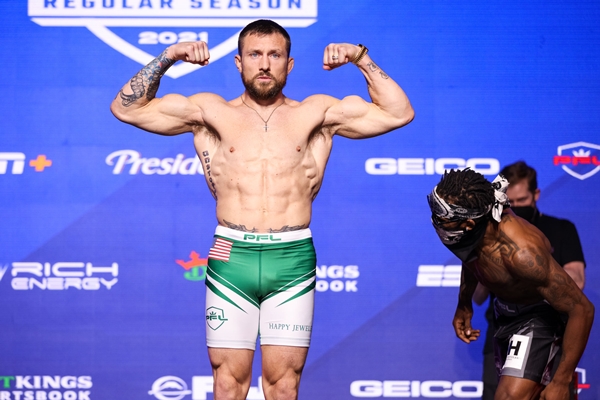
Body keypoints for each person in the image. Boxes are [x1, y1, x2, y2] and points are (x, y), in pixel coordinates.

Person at [111, 19, 414, 400]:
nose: (265, 64)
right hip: (231, 255)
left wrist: (360, 57)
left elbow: (398, 112)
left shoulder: (317, 113)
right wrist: (169, 56)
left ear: (290, 64)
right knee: (228, 384)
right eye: (255, 54)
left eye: (275, 55)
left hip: (291, 259)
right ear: (239, 62)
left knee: (284, 386)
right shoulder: (209, 112)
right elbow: (126, 108)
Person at [426, 168, 594, 400]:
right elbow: (471, 257)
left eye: (443, 221)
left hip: (538, 316)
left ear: (469, 223)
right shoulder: (473, 229)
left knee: (508, 397)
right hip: (504, 314)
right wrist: (464, 303)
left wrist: (561, 381)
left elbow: (582, 309)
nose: (437, 224)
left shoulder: (523, 254)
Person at [473, 161, 586, 399]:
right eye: (510, 202)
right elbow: (478, 296)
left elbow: (578, 282)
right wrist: (493, 265)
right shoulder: (491, 234)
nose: (515, 207)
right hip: (501, 330)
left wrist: (536, 263)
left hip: (549, 331)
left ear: (536, 194)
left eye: (522, 200)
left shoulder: (560, 229)